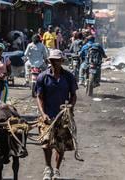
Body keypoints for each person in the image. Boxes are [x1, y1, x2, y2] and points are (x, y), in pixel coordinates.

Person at [35, 49, 78, 180]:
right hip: (48, 115)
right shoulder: (42, 77)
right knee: (46, 142)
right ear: (49, 61)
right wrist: (43, 114)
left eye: (57, 61)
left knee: (61, 144)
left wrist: (70, 106)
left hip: (63, 116)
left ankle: (57, 170)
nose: (54, 63)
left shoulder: (69, 77)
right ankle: (48, 167)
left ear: (62, 61)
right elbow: (39, 97)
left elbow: (74, 95)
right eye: (52, 61)